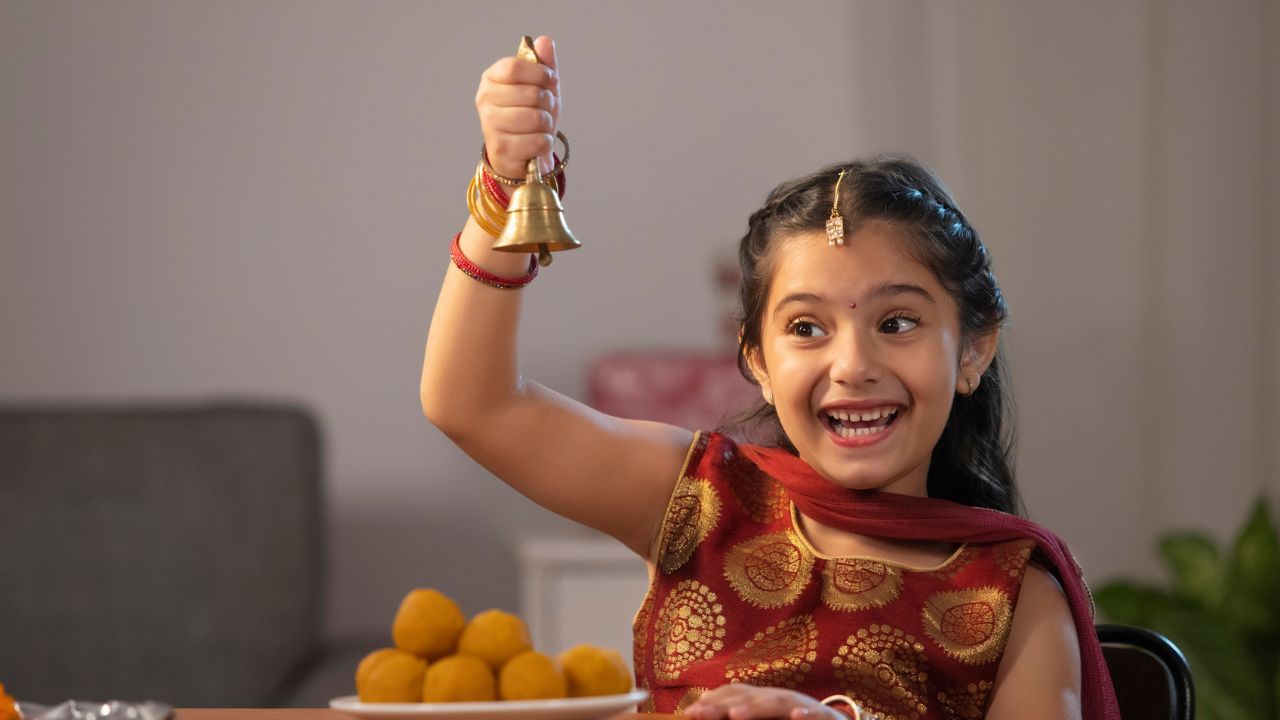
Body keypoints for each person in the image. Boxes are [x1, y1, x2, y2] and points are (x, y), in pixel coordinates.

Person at [421, 36, 1119, 720]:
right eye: (806, 328)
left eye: (897, 323)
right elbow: (472, 405)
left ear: (972, 352)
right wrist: (507, 186)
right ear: (755, 357)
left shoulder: (1013, 592)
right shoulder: (697, 500)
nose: (853, 366)